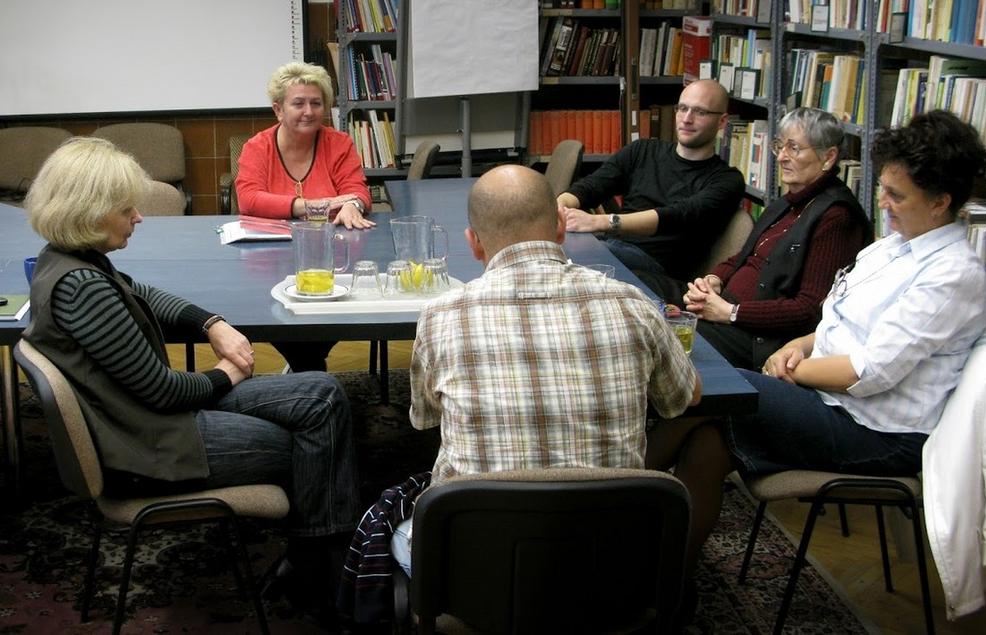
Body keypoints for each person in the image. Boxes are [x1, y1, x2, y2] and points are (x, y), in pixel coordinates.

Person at [339, 165, 702, 623]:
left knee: (398, 528)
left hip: (477, 578)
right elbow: (685, 398)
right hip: (611, 573)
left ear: (473, 243)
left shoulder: (439, 315)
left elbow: (424, 419)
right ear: (558, 228)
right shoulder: (631, 303)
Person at [22, 137, 360, 621]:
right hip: (151, 444)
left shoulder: (68, 261)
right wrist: (225, 374)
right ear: (90, 211)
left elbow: (145, 296)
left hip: (145, 421)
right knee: (311, 442)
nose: (138, 216)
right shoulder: (83, 288)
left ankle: (310, 558)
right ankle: (321, 573)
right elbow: (163, 391)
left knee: (324, 395)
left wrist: (210, 323)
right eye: (126, 208)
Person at [669, 110, 986, 595]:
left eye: (896, 195)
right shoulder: (891, 248)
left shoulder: (953, 274)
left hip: (877, 432)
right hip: (833, 401)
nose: (882, 203)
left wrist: (793, 372)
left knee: (709, 389)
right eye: (883, 187)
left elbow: (869, 371)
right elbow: (834, 318)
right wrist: (798, 347)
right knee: (707, 442)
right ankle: (667, 583)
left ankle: (613, 519)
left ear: (942, 201)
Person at [683, 108, 872, 370]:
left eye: (793, 148)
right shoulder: (786, 203)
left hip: (759, 340)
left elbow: (810, 310)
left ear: (828, 157)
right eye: (779, 146)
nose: (782, 157)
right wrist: (713, 280)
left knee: (662, 343)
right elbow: (743, 258)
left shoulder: (837, 218)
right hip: (724, 312)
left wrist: (730, 314)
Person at [235, 61, 375, 372]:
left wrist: (353, 204)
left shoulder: (338, 143)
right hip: (270, 263)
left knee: (325, 319)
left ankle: (305, 371)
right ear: (278, 110)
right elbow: (249, 200)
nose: (308, 111)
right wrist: (313, 205)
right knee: (288, 325)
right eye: (298, 103)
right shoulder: (257, 147)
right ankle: (308, 371)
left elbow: (358, 191)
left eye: (316, 103)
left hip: (331, 261)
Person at [558, 79, 745, 300]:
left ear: (722, 121)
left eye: (700, 112)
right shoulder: (642, 151)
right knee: (546, 247)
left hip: (656, 268)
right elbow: (592, 186)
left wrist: (601, 222)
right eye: (682, 108)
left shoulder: (727, 180)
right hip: (613, 246)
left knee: (569, 257)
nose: (687, 119)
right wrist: (560, 207)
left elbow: (676, 216)